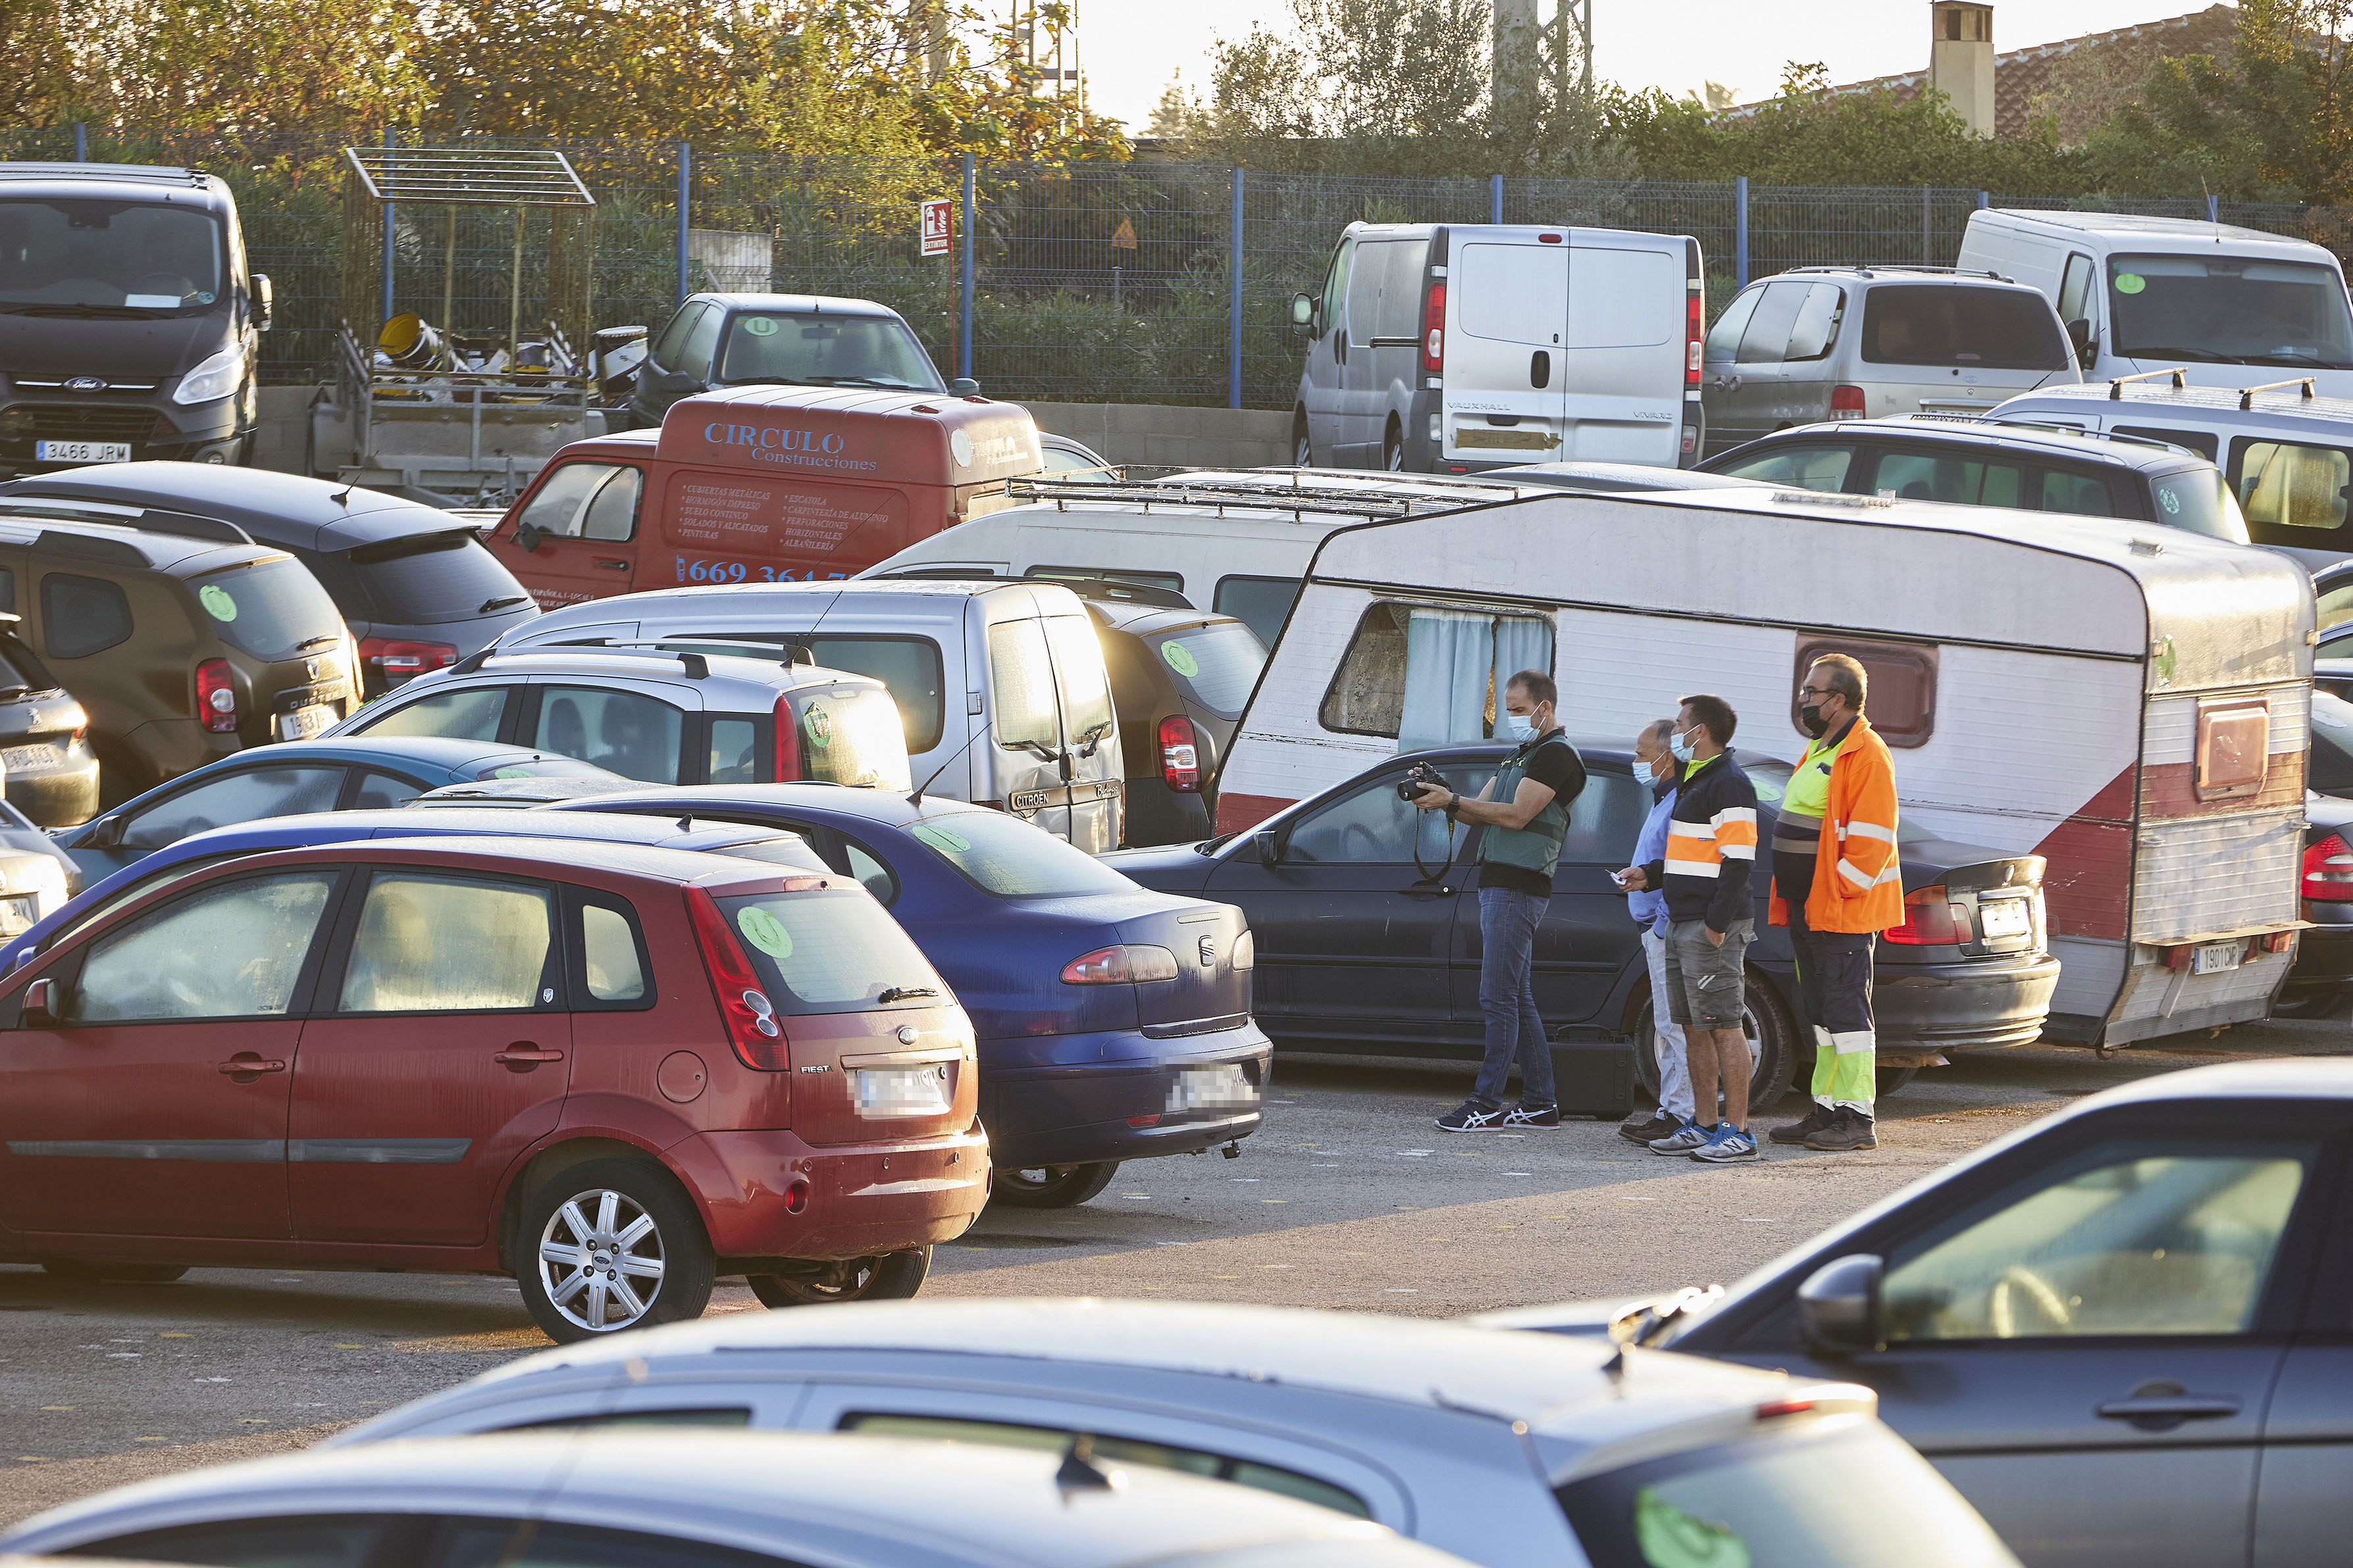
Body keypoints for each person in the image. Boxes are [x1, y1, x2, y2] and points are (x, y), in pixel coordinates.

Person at [1407, 669, 1586, 1132]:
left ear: (1545, 707)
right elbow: (1476, 815)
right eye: (1507, 708)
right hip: (1500, 883)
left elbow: (1516, 814)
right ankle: (1541, 1102)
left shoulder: (1554, 756)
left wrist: (1453, 799)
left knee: (1497, 996)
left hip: (1518, 887)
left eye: (1518, 709)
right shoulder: (1518, 756)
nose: (1511, 718)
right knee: (1515, 997)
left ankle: (1485, 1101)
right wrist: (1442, 795)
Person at [1764, 654, 1903, 1153]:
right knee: (1821, 1012)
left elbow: (1873, 838)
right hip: (1810, 907)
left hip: (1841, 911)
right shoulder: (1820, 746)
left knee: (1846, 1012)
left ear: (1837, 700)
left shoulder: (1866, 752)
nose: (1802, 700)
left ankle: (1856, 1117)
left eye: (1810, 692)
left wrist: (1838, 889)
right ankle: (1826, 1108)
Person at [1628, 694, 1759, 1163]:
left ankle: (1738, 1132)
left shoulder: (1729, 782)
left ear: (1699, 731)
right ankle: (1702, 1124)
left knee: (1724, 1026)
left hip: (1707, 926)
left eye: (1681, 723)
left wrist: (1717, 925)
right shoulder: (1694, 779)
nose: (1677, 730)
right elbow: (1693, 856)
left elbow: (1739, 859)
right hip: (1681, 919)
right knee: (1692, 1027)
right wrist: (1652, 875)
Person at [1615, 719, 1697, 1146]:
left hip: (1662, 928)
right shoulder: (1661, 798)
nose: (1636, 762)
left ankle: (1679, 1113)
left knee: (1672, 1025)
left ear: (1667, 757)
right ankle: (1672, 1108)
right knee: (1668, 1024)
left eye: (1642, 755)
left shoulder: (1676, 802)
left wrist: (1661, 925)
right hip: (1653, 926)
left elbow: (1677, 869)